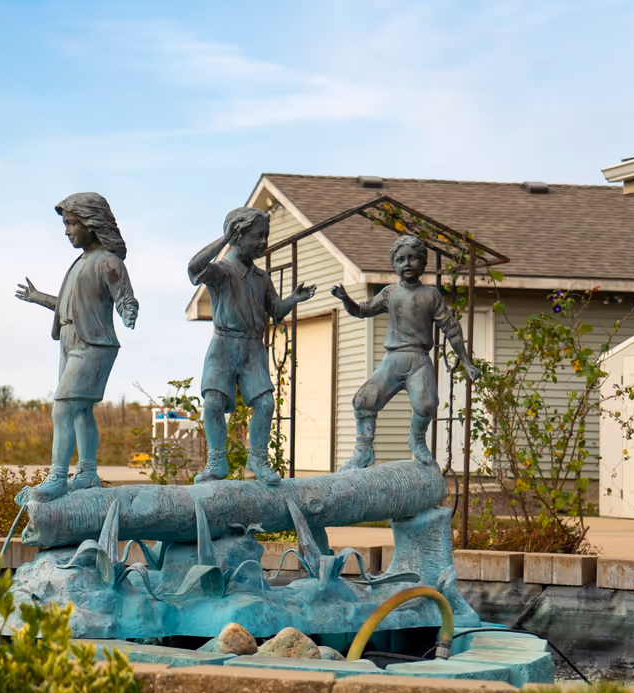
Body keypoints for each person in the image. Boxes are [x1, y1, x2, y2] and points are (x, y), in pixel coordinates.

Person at [15, 193, 138, 500]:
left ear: (91, 224)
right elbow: (69, 308)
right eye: (65, 224)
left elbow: (124, 297)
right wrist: (38, 297)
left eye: (71, 223)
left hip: (94, 345)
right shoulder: (81, 262)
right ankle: (86, 473)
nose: (67, 231)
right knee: (81, 411)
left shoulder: (109, 262)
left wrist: (129, 310)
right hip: (71, 342)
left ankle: (57, 477)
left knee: (63, 409)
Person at [188, 206, 314, 485]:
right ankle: (216, 461)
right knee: (213, 403)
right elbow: (194, 268)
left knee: (266, 403)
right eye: (258, 236)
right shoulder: (221, 271)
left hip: (253, 348)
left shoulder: (262, 278)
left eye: (265, 236)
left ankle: (258, 459)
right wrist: (223, 240)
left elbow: (276, 311)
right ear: (237, 235)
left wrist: (293, 299)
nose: (263, 243)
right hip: (223, 344)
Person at [332, 234, 478, 468]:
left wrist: (467, 362)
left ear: (423, 262)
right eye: (400, 259)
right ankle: (363, 450)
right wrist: (345, 299)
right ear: (394, 265)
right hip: (393, 360)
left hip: (419, 360)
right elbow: (362, 310)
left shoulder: (431, 295)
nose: (407, 263)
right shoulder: (389, 293)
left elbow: (452, 329)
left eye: (413, 258)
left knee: (427, 405)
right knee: (363, 400)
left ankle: (417, 439)